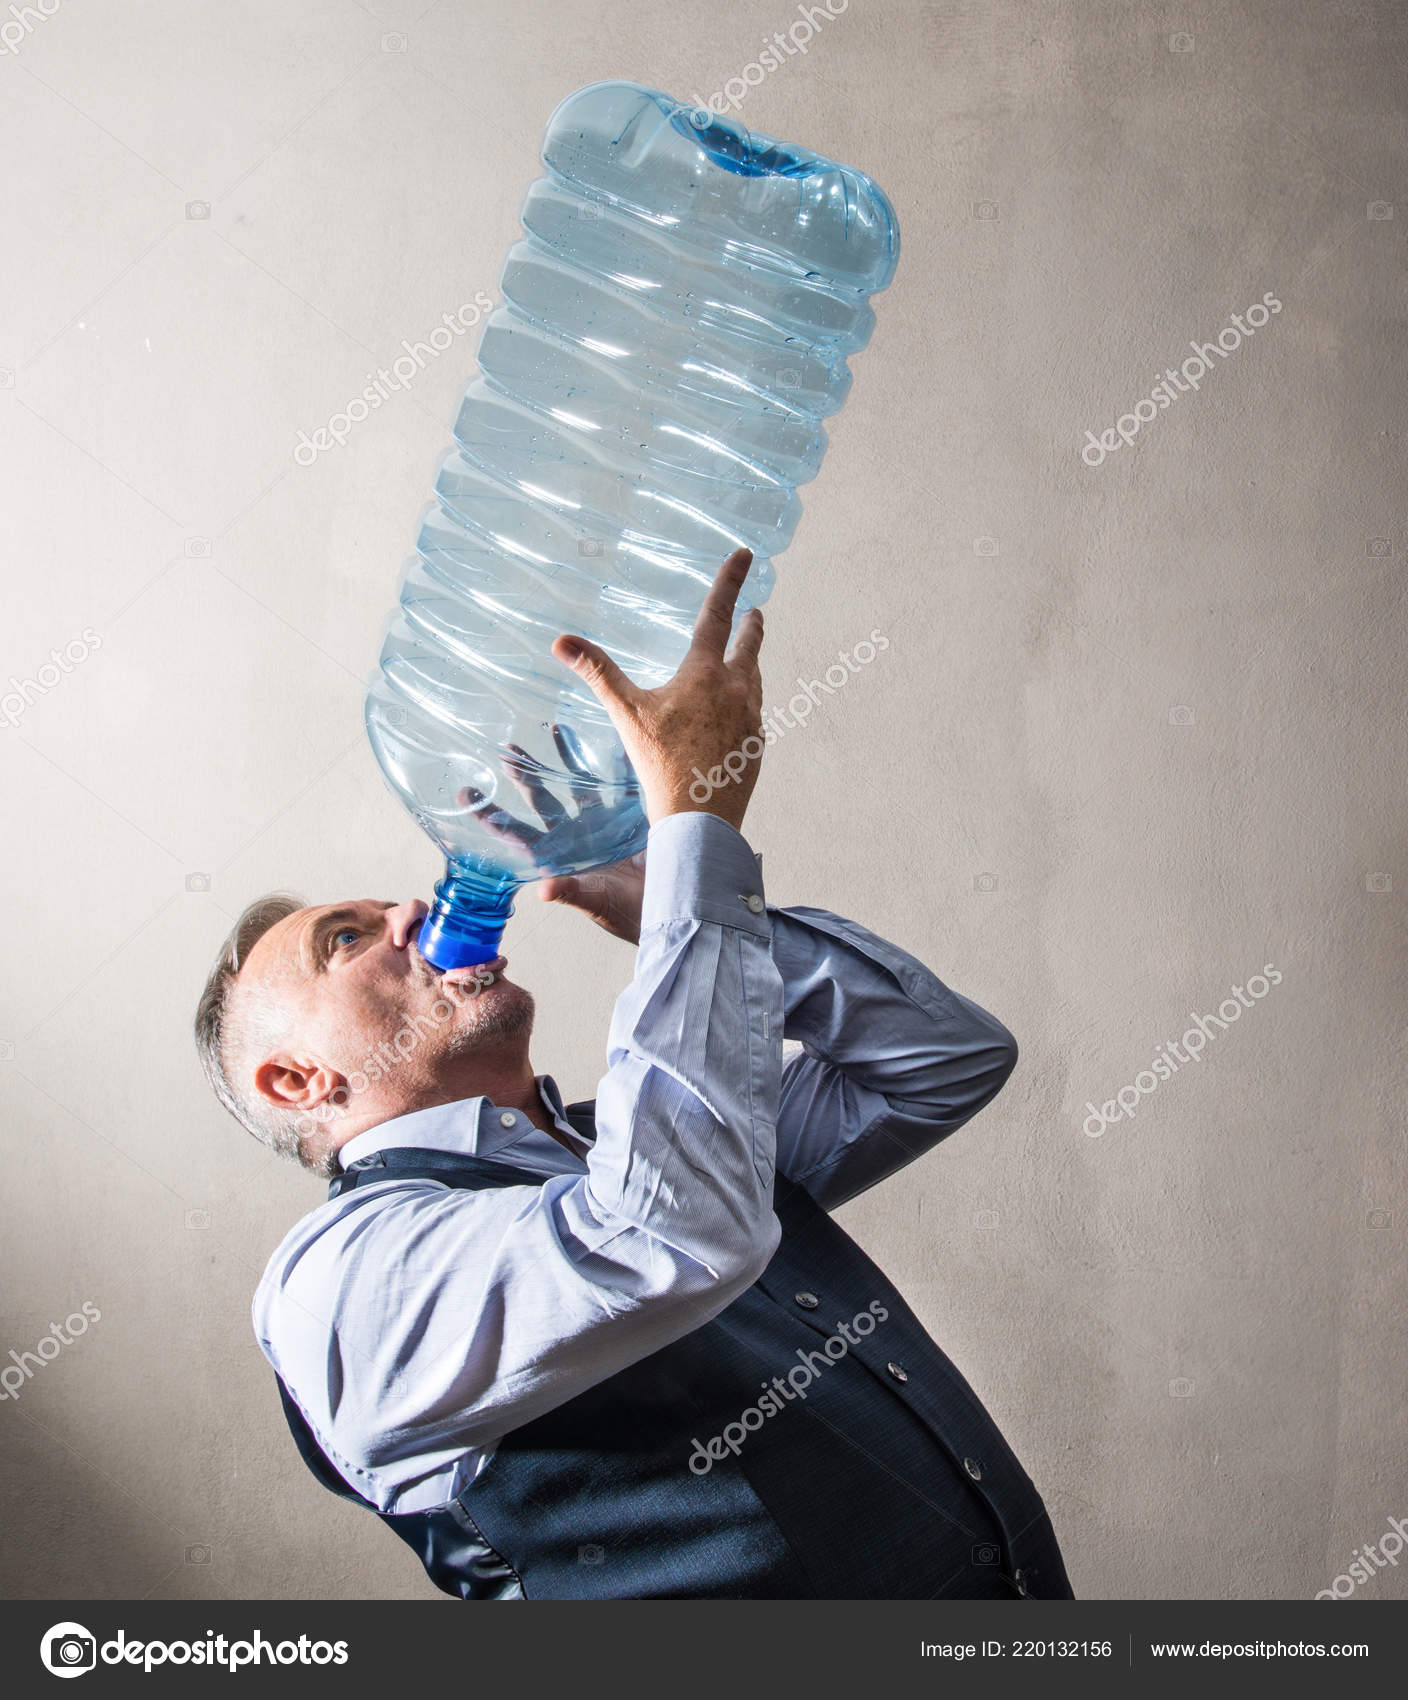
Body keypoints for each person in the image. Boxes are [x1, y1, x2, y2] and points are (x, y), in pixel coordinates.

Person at [194, 547, 1073, 1600]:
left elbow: (939, 1062)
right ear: (295, 1082)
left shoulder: (630, 1138)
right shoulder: (338, 1281)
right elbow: (666, 1232)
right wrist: (701, 842)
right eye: (344, 938)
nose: (408, 911)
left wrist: (677, 894)